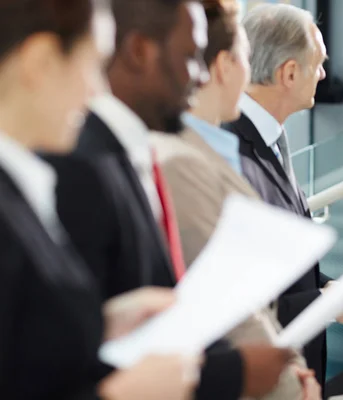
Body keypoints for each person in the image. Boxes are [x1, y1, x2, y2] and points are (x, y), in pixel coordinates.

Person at [45, 0, 293, 398]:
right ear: (140, 52)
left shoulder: (130, 153)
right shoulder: (85, 165)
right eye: (191, 56)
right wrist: (232, 374)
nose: (199, 75)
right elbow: (70, 359)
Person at [0, 1, 200, 399]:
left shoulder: (23, 187)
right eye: (93, 64)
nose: (97, 90)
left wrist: (105, 324)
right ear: (40, 62)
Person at [150, 0, 321, 398]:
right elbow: (223, 304)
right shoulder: (183, 159)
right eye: (245, 58)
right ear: (225, 65)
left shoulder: (224, 149)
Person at [223, 3, 343, 387]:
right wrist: (328, 303)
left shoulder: (272, 137)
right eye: (319, 63)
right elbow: (233, 287)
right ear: (289, 73)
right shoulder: (226, 150)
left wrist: (325, 287)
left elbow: (275, 258)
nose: (324, 74)